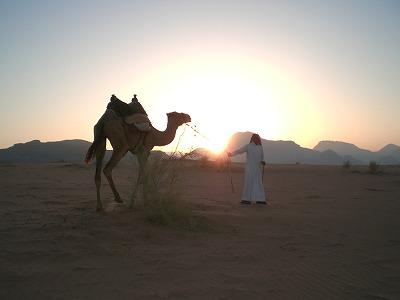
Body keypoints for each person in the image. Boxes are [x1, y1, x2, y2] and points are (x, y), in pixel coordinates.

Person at [228, 133, 267, 205]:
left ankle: (260, 200)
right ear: (252, 139)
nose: (256, 139)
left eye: (257, 138)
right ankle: (246, 199)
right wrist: (231, 154)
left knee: (258, 184)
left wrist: (263, 161)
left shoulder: (260, 147)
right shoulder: (248, 146)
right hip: (250, 169)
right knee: (249, 183)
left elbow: (262, 157)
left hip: (257, 169)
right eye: (254, 138)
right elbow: (239, 151)